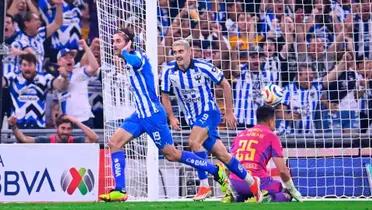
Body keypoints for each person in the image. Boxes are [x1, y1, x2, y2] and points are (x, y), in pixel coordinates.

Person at [99, 28, 242, 202]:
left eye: (118, 41)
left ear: (128, 43)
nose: (114, 45)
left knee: (171, 154)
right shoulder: (126, 60)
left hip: (153, 116)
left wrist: (124, 52)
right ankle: (120, 190)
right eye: (113, 41)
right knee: (114, 142)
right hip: (139, 115)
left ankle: (214, 170)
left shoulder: (138, 58)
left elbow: (134, 61)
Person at [161, 39, 262, 202]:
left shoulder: (204, 66)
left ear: (189, 52)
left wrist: (229, 112)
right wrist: (171, 117)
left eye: (181, 51)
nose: (178, 55)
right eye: (175, 52)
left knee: (193, 142)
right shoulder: (168, 72)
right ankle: (252, 181)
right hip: (193, 119)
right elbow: (164, 96)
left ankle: (204, 185)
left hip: (210, 111)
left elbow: (226, 85)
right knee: (222, 155)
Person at [229, 105, 303, 202]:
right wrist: (293, 190)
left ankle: (240, 197)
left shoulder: (240, 134)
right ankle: (265, 197)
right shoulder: (271, 136)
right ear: (271, 120)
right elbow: (282, 171)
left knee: (245, 193)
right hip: (257, 182)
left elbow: (229, 161)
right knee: (283, 191)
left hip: (235, 182)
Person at [1, 53, 69, 128]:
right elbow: (2, 82)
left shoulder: (44, 77)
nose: (27, 68)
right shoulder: (13, 77)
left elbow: (60, 86)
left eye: (30, 65)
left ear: (35, 66)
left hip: (38, 127)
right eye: (24, 65)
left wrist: (64, 77)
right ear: (20, 67)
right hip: (17, 126)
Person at [57, 39, 100, 127]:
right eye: (65, 57)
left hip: (85, 119)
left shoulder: (80, 72)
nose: (69, 59)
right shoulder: (57, 79)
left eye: (71, 57)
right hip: (68, 122)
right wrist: (65, 77)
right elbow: (61, 86)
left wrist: (86, 47)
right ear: (59, 62)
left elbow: (95, 67)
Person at [8, 114, 98, 143]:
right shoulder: (47, 140)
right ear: (56, 128)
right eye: (63, 128)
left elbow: (94, 138)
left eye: (68, 129)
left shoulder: (75, 140)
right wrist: (13, 126)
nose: (65, 131)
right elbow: (24, 139)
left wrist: (77, 122)